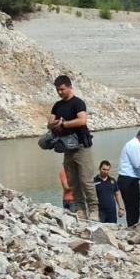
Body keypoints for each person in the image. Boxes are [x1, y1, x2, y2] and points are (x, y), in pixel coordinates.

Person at [48, 75, 97, 220]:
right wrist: (57, 123)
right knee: (73, 181)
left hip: (81, 146)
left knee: (86, 180)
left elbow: (82, 120)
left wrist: (63, 124)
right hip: (67, 148)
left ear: (69, 87)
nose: (60, 92)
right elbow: (50, 123)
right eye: (57, 90)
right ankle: (80, 209)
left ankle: (94, 209)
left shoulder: (78, 103)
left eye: (62, 89)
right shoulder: (57, 105)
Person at [117, 128, 140, 226]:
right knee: (133, 208)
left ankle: (132, 226)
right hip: (128, 180)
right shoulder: (135, 145)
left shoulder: (132, 144)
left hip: (127, 179)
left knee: (132, 207)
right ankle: (132, 228)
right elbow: (138, 165)